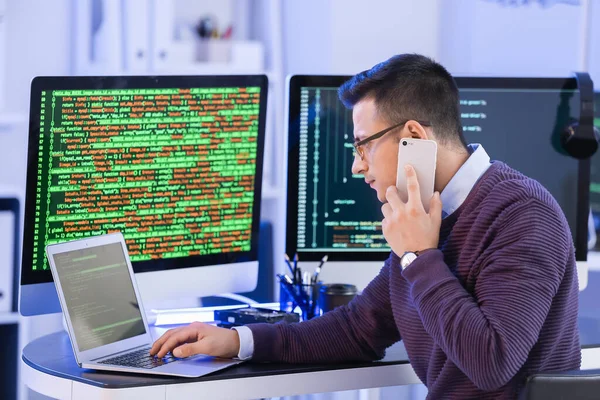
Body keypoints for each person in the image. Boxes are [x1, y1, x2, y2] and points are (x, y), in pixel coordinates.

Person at [151, 54, 580, 399]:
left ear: (413, 135)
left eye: (363, 146)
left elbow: (491, 362)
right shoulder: (427, 214)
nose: (358, 166)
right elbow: (358, 328)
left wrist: (420, 256)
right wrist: (237, 341)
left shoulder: (522, 213)